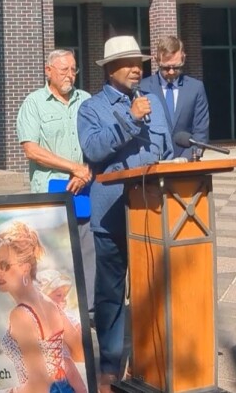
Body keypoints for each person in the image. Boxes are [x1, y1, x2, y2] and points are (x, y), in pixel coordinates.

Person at [77, 36, 173, 391]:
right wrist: (130, 121)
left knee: (152, 290)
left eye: (140, 62)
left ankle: (153, 362)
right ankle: (109, 369)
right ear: (110, 68)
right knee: (111, 297)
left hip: (153, 214)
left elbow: (162, 150)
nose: (137, 68)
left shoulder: (153, 103)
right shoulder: (92, 108)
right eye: (129, 62)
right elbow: (93, 148)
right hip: (112, 215)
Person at [16, 49, 95, 322]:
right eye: (64, 70)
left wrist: (86, 171)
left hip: (83, 187)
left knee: (87, 250)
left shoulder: (85, 100)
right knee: (52, 253)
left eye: (73, 70)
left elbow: (97, 143)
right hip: (50, 190)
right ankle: (52, 312)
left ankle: (88, 311)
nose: (70, 75)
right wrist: (73, 167)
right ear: (48, 70)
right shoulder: (34, 103)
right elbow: (31, 149)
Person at [0, 221, 87, 393]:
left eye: (4, 265)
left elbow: (38, 385)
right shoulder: (50, 303)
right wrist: (59, 363)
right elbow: (80, 352)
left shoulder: (20, 315)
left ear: (25, 268)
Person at [138, 36, 209, 159]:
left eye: (176, 67)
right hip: (152, 163)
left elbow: (200, 133)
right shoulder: (142, 88)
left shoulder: (195, 88)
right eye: (166, 68)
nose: (171, 72)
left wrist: (186, 159)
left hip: (186, 163)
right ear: (156, 60)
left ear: (184, 58)